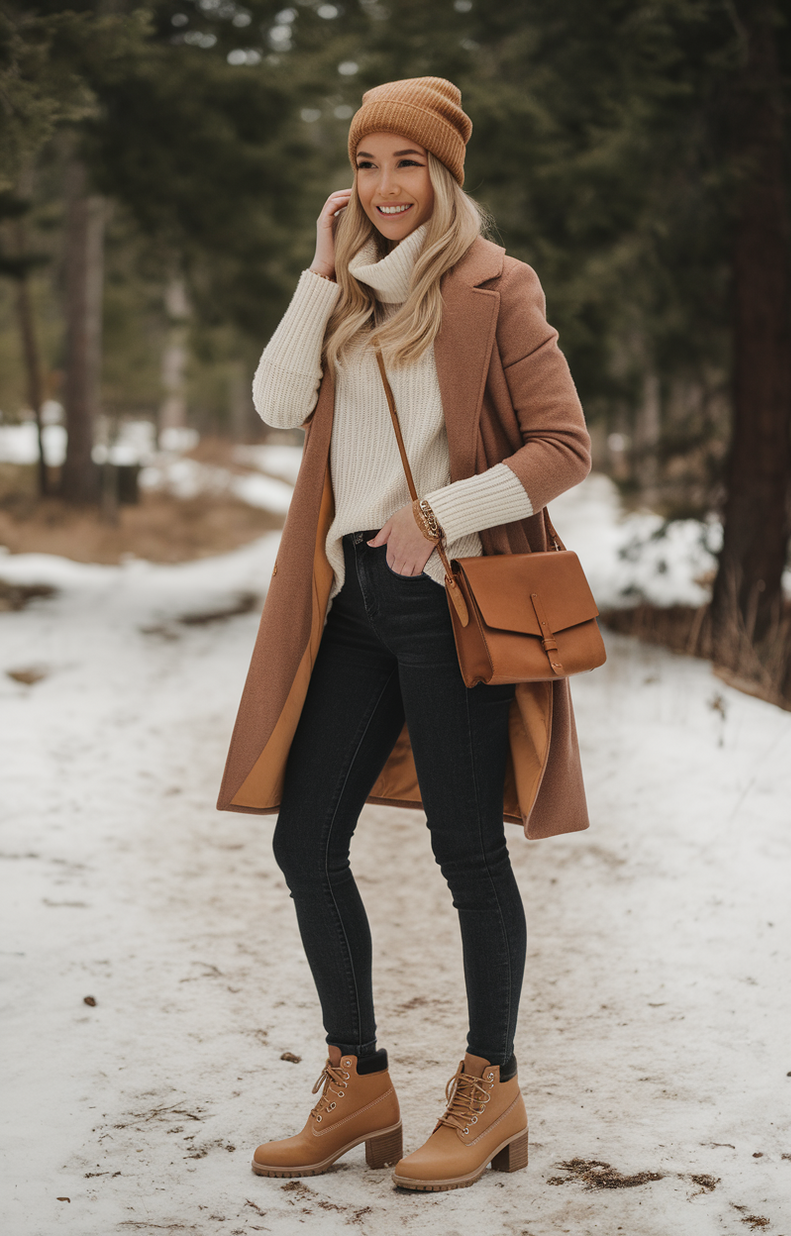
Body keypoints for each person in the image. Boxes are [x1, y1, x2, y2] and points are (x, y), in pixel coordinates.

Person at [217, 76, 592, 1192]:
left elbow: (562, 446)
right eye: (367, 164)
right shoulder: (343, 294)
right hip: (353, 607)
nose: (385, 186)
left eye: (408, 163)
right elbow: (279, 407)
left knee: (465, 853)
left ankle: (490, 1087)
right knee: (304, 840)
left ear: (444, 173)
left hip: (452, 605)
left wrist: (435, 518)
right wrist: (318, 273)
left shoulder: (494, 283)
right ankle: (358, 1078)